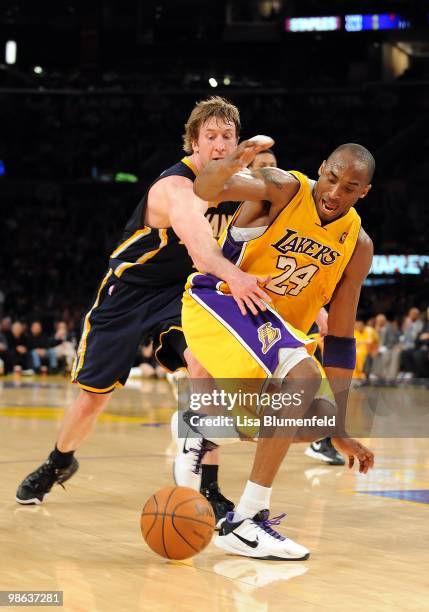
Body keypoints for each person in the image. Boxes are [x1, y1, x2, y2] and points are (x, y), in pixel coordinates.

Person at [15, 96, 273, 506]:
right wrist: (239, 279)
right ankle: (59, 461)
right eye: (211, 136)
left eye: (227, 136)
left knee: (202, 367)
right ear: (193, 143)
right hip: (131, 291)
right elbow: (204, 252)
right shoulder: (175, 187)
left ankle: (207, 484)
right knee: (93, 397)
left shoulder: (243, 188)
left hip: (183, 292)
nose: (220, 145)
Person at [177, 141, 375, 560]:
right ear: (321, 168)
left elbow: (340, 337)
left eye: (349, 187)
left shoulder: (357, 246)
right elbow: (209, 190)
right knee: (302, 375)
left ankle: (207, 430)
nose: (335, 192)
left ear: (364, 192)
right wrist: (223, 167)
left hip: (270, 338)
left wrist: (338, 429)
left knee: (319, 419)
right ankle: (246, 520)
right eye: (332, 178)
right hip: (219, 302)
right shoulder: (284, 188)